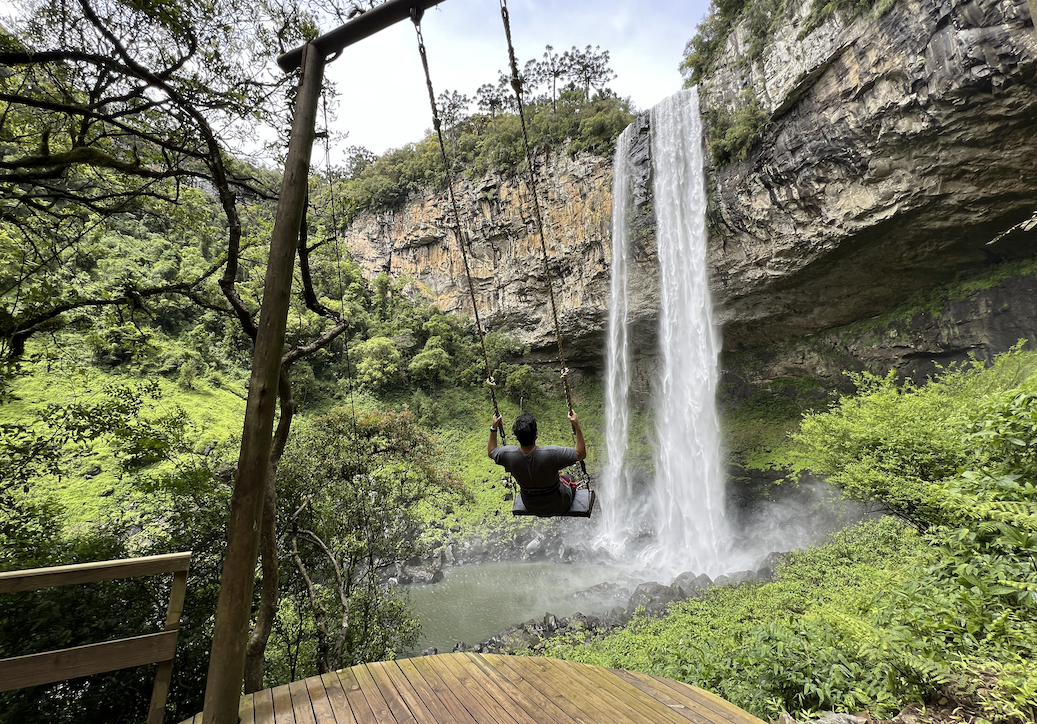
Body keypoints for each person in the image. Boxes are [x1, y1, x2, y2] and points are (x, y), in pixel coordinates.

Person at [488, 409, 586, 516]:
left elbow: (491, 451)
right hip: (559, 505)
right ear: (536, 434)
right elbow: (581, 454)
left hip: (531, 505)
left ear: (516, 437)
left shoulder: (508, 455)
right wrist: (576, 425)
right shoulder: (551, 454)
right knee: (569, 478)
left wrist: (494, 428)